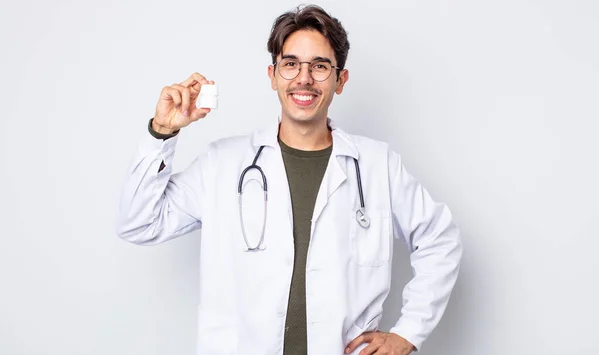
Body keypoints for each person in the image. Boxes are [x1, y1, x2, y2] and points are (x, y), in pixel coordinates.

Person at [116, 4, 462, 355]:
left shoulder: (377, 165)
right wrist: (162, 133)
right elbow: (139, 224)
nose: (304, 78)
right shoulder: (222, 163)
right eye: (291, 63)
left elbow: (440, 240)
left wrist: (408, 333)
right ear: (273, 75)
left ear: (340, 81)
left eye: (321, 66)